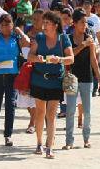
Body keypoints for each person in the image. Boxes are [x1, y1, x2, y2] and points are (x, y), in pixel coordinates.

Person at [27, 11, 74, 159]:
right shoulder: (39, 38)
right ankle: (39, 143)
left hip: (56, 81)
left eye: (47, 23)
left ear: (55, 25)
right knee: (40, 113)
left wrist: (59, 59)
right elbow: (29, 57)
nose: (44, 25)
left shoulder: (63, 38)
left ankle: (49, 147)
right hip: (39, 80)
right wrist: (37, 58)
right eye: (43, 22)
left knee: (51, 115)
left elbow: (71, 58)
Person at [63, 8, 100, 150]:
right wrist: (82, 45)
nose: (84, 25)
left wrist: (99, 79)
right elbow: (69, 56)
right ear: (74, 23)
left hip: (87, 78)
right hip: (71, 78)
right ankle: (69, 141)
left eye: (86, 22)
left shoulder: (90, 36)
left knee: (87, 111)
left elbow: (93, 59)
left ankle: (86, 139)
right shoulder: (67, 37)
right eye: (82, 22)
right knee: (70, 111)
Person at [0, 14, 29, 146]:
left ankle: (8, 135)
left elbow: (27, 42)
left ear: (12, 25)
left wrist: (19, 30)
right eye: (2, 25)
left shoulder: (16, 39)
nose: (5, 27)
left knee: (11, 105)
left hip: (12, 76)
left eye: (8, 24)